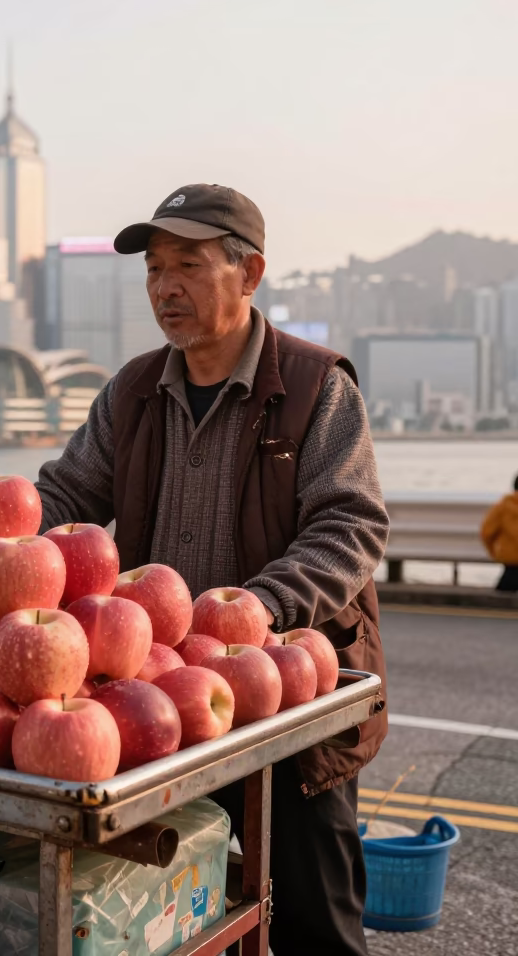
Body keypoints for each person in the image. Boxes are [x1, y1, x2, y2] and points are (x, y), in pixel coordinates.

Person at [35, 184, 390, 955]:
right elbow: (65, 495)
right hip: (159, 707)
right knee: (175, 924)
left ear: (250, 272)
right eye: (155, 269)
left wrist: (262, 606)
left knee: (315, 926)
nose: (166, 287)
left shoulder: (315, 387)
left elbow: (352, 521)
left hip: (282, 709)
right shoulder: (133, 392)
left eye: (189, 266)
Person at [481, 474, 518, 591]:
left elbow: (486, 532)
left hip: (511, 560)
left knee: (503, 596)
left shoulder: (503, 506)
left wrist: (493, 552)